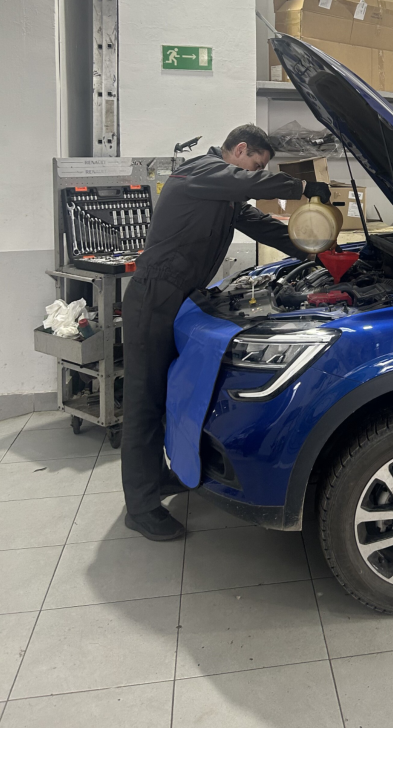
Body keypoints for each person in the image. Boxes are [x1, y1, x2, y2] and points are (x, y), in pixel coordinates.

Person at [121, 123, 331, 541]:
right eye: (257, 164)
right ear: (239, 150)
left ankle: (157, 477)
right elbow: (246, 182)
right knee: (144, 402)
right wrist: (303, 186)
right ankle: (140, 508)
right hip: (153, 298)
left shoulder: (224, 195)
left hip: (180, 299)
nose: (257, 173)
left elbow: (265, 226)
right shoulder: (200, 172)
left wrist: (318, 251)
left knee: (169, 395)